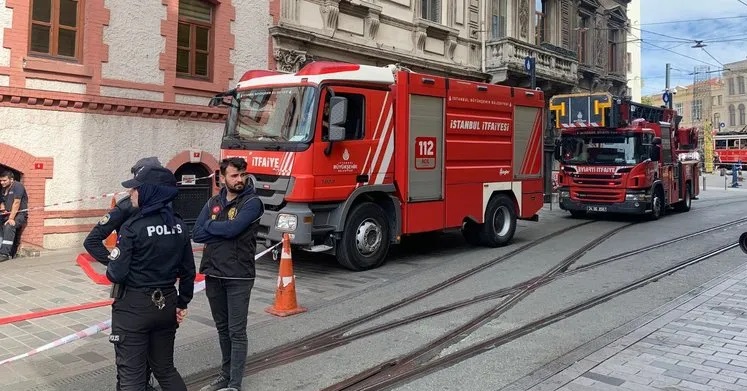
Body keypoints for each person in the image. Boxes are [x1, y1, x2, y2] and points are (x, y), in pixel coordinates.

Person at [106, 164, 195, 391]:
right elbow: (188, 271)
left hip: (134, 308)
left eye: (136, 189)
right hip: (166, 304)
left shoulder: (133, 227)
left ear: (150, 192)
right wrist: (182, 302)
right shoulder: (178, 225)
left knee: (132, 377)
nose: (131, 193)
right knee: (165, 369)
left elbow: (115, 272)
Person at [84, 157, 162, 391]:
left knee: (151, 346)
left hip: (155, 287)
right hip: (129, 289)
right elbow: (92, 241)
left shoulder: (161, 204)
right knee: (128, 351)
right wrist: (115, 263)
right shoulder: (127, 206)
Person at [192, 157, 264, 391]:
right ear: (222, 178)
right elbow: (196, 233)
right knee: (223, 329)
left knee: (236, 331)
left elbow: (234, 229)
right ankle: (225, 375)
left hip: (239, 276)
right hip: (214, 273)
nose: (240, 179)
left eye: (243, 174)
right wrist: (223, 231)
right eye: (234, 175)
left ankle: (234, 384)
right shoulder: (214, 201)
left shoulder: (252, 202)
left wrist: (212, 227)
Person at [0, 171, 28, 261]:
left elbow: (17, 202)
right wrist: (2, 207)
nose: (2, 183)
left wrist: (11, 218)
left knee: (9, 226)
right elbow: (3, 200)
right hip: (7, 213)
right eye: (0, 181)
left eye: (4, 180)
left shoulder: (18, 186)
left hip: (19, 214)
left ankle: (4, 254)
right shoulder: (4, 188)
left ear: (11, 179)